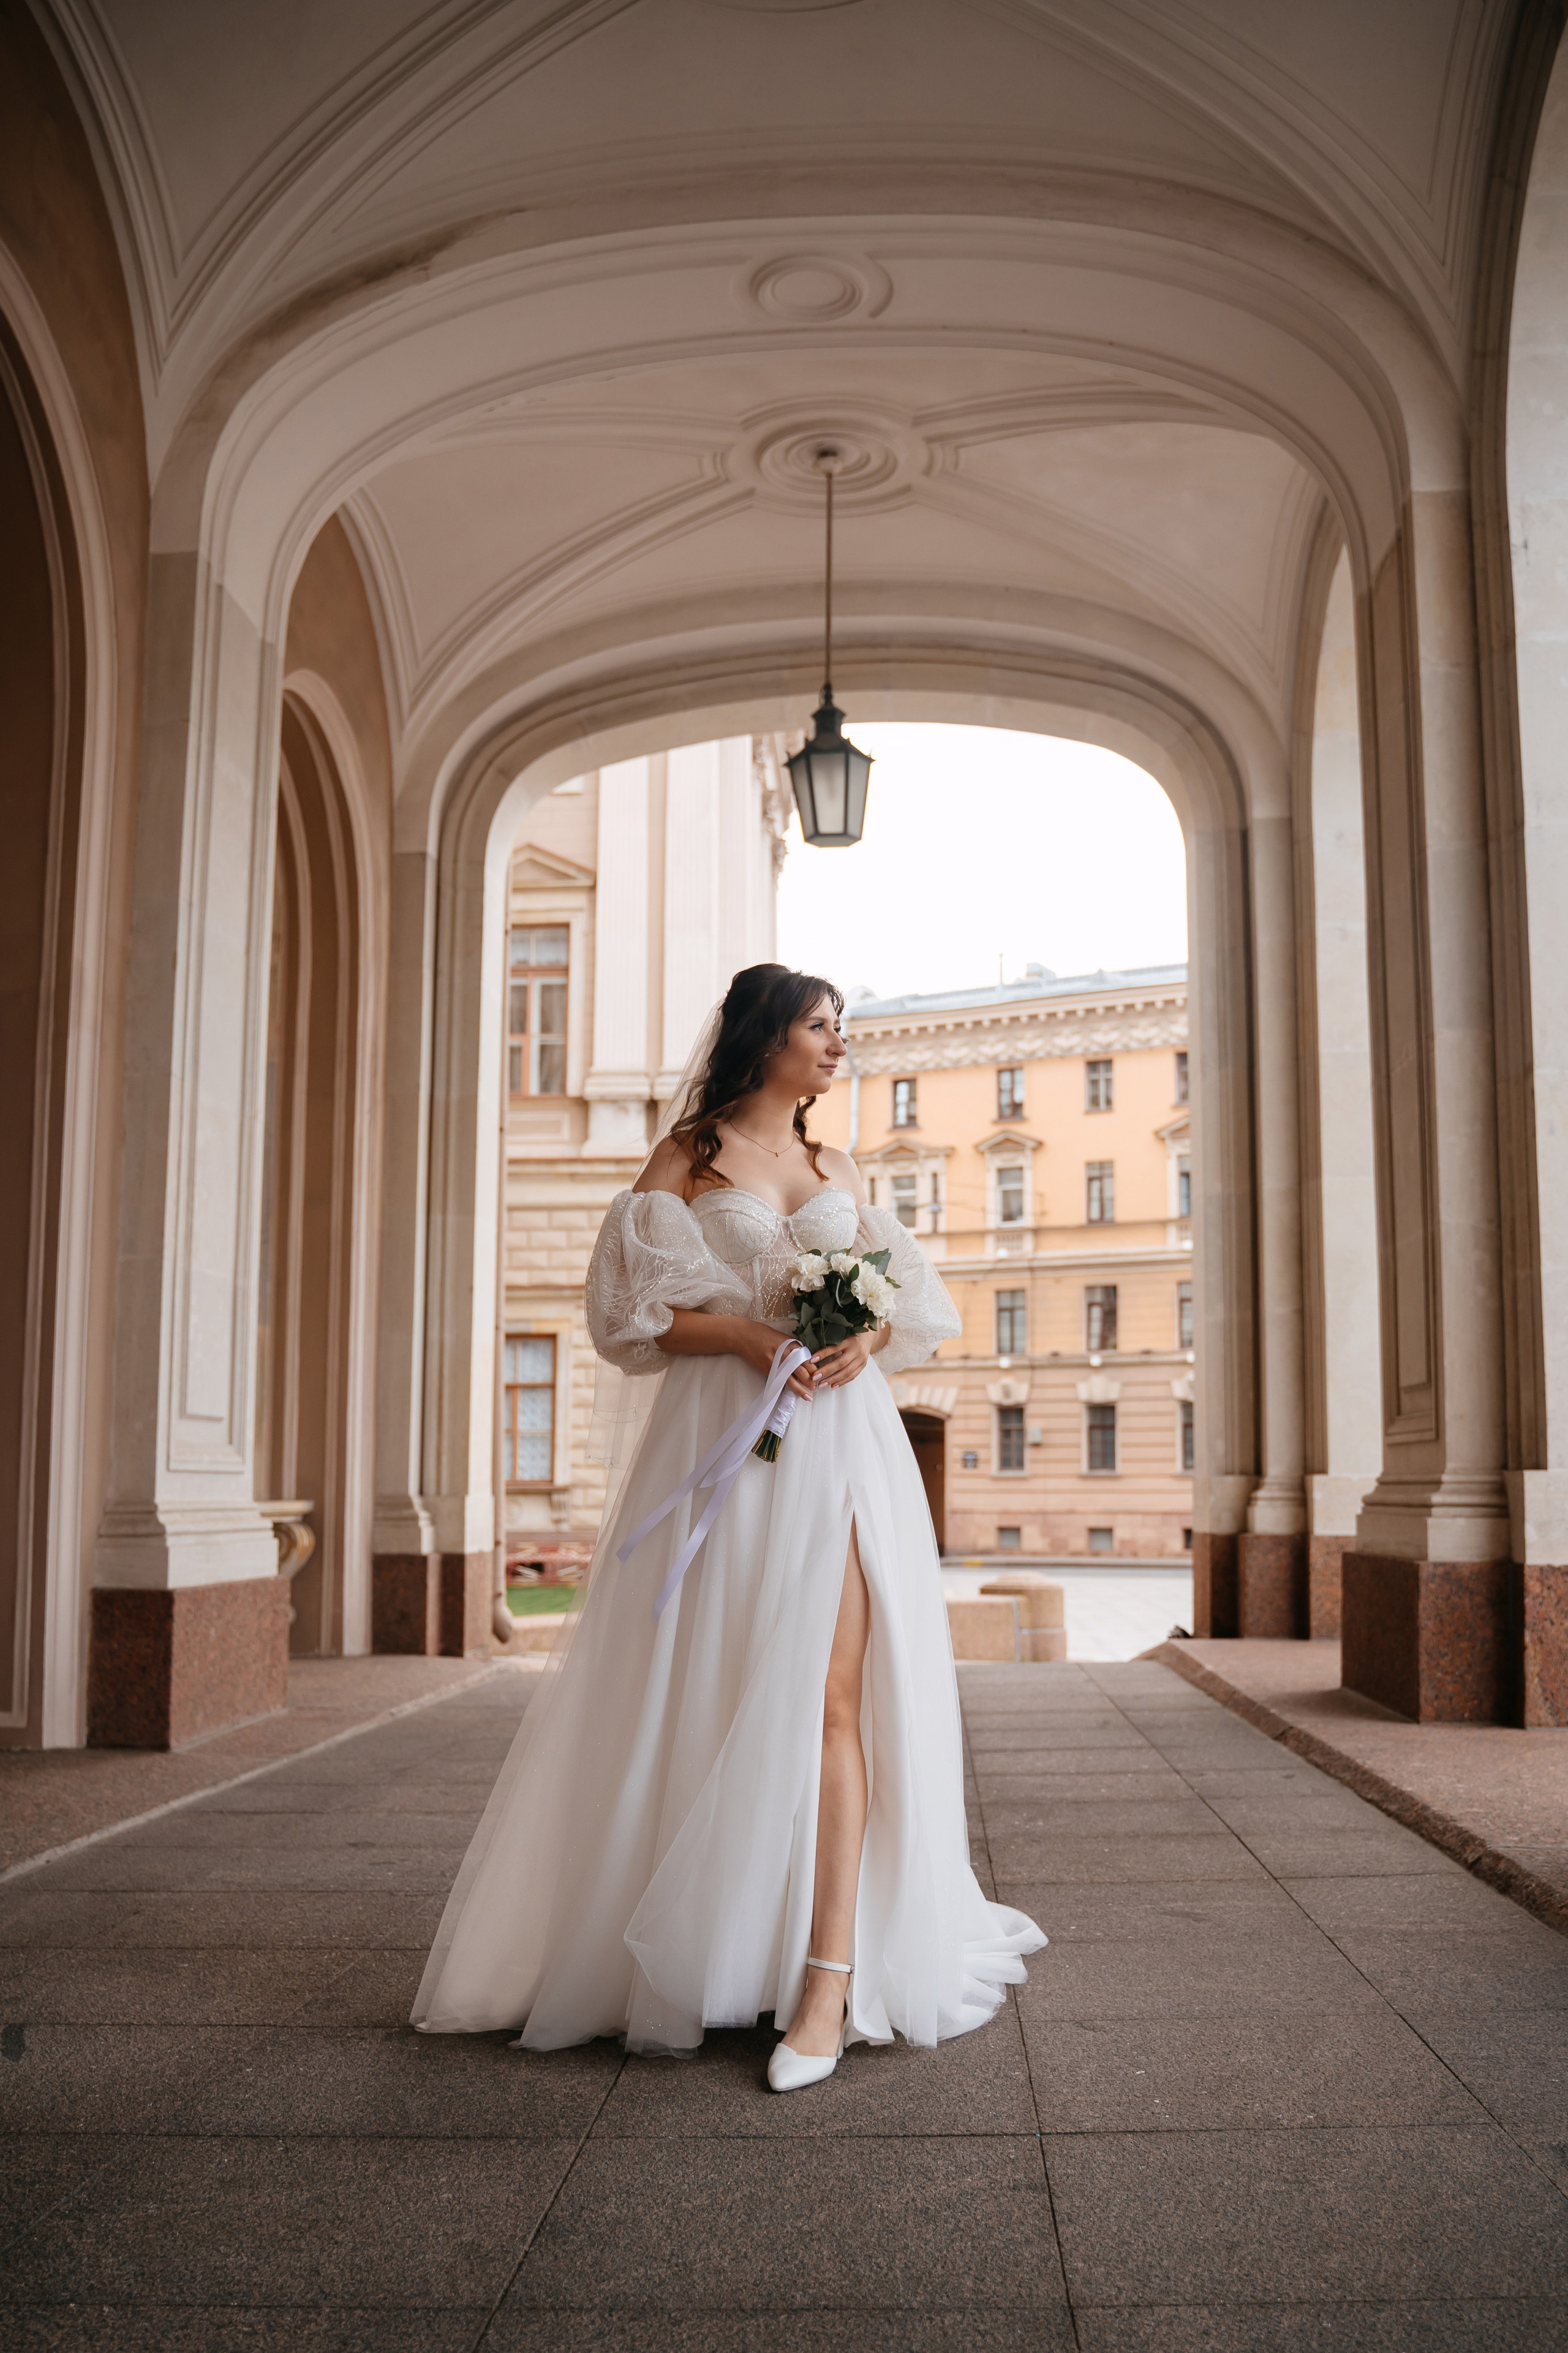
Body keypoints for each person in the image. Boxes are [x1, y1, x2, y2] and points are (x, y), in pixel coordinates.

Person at [412, 962, 1044, 2088]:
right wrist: (748, 1337)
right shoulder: (688, 1160)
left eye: (841, 1027)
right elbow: (629, 1319)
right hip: (730, 1451)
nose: (839, 1044)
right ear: (766, 1040)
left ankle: (828, 1976)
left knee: (836, 1699)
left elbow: (909, 1303)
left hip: (844, 1452)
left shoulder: (840, 1164)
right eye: (820, 1025)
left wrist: (862, 1337)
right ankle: (710, 1942)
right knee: (711, 1687)